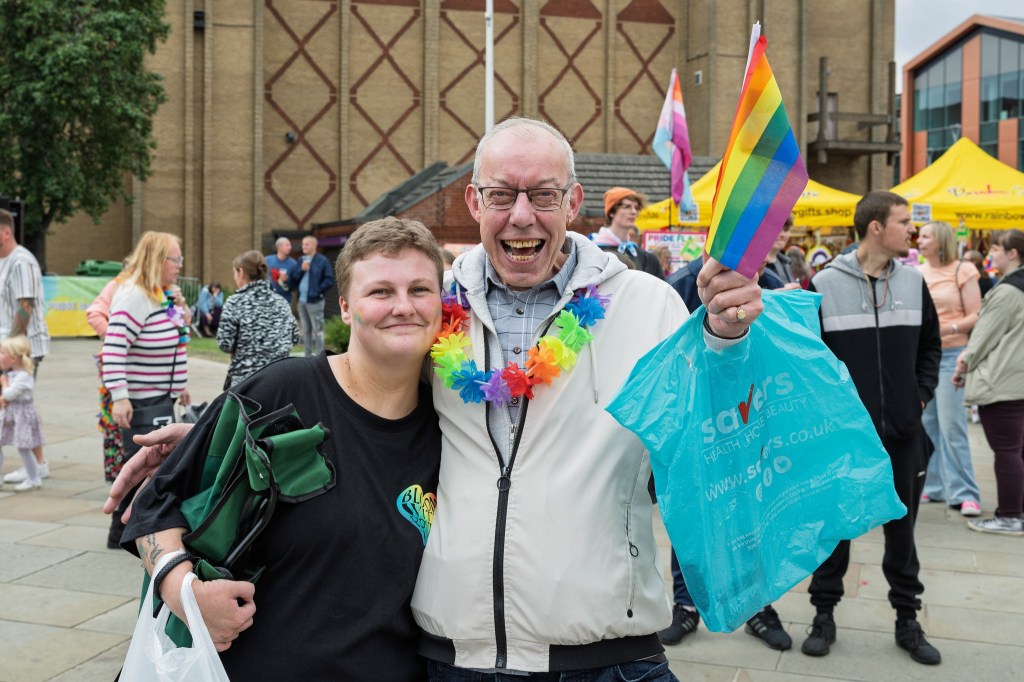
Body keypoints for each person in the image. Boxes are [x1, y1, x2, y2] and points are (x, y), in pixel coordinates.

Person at [107, 117, 764, 680]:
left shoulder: (642, 304)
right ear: (475, 202)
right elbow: (360, 389)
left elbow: (718, 441)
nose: (523, 214)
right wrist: (215, 431)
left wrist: (729, 343)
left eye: (543, 194)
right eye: (503, 194)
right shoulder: (438, 304)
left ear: (574, 201)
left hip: (608, 653)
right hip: (457, 658)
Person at [121, 218, 444, 679]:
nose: (403, 306)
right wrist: (185, 592)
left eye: (419, 290)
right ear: (347, 308)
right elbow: (158, 504)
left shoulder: (451, 429)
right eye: (380, 292)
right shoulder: (279, 393)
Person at [800, 191, 942, 665]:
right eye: (904, 222)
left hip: (903, 435)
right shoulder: (823, 283)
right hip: (843, 439)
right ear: (876, 227)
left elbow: (930, 348)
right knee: (834, 529)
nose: (912, 231)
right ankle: (823, 614)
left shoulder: (914, 282)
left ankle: (908, 619)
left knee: (903, 533)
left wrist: (919, 395)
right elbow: (808, 361)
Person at [660, 257, 791, 650]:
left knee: (753, 512)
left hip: (751, 419)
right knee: (691, 515)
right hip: (693, 423)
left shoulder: (770, 279)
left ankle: (756, 605)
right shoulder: (681, 283)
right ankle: (686, 603)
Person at [101, 231, 192, 548]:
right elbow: (113, 348)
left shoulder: (160, 294)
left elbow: (178, 337)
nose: (180, 265)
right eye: (175, 259)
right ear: (156, 260)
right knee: (139, 465)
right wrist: (120, 396)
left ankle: (134, 530)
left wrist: (179, 385)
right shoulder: (134, 295)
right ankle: (123, 532)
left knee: (150, 465)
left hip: (161, 397)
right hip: (141, 400)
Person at [954, 229, 1024, 536]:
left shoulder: (1008, 291)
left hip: (1003, 381)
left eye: (995, 248)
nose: (990, 254)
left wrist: (964, 364)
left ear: (1012, 253)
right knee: (1019, 450)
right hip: (1017, 379)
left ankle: (1009, 515)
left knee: (1007, 451)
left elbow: (983, 336)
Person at [917, 221, 982, 516]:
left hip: (951, 355)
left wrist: (948, 328)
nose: (919, 240)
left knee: (952, 426)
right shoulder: (916, 272)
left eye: (926, 236)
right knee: (927, 423)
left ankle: (965, 492)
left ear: (941, 240)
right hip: (922, 357)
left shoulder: (963, 270)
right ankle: (934, 486)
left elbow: (976, 315)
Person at [0, 209, 50, 485]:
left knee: (21, 406)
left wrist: (10, 353)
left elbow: (25, 306)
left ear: (6, 232)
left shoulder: (21, 261)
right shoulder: (4, 261)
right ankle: (35, 464)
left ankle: (37, 466)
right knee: (16, 407)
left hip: (22, 348)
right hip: (10, 348)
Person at [217, 250, 299, 389]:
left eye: (235, 273)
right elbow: (295, 338)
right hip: (280, 385)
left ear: (241, 272)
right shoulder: (282, 302)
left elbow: (224, 343)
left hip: (245, 386)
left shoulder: (235, 302)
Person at [87, 275, 130, 489]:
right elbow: (94, 313)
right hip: (118, 368)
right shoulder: (119, 285)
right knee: (115, 423)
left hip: (148, 377)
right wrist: (113, 336)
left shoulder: (162, 289)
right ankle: (118, 476)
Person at [0, 336, 45, 491]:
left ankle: (34, 478)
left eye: (2, 352)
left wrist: (4, 384)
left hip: (22, 418)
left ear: (13, 358)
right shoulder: (13, 374)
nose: (0, 355)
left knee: (23, 447)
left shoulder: (24, 376)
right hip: (10, 416)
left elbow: (9, 395)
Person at [593, 187, 665, 278]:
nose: (634, 212)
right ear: (612, 212)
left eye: (636, 208)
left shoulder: (647, 258)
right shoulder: (593, 251)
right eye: (627, 207)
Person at [289, 235, 335, 357]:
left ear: (314, 245)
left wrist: (318, 291)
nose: (303, 246)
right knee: (306, 330)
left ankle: (320, 357)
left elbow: (329, 279)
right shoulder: (301, 260)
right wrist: (302, 269)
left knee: (318, 330)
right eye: (303, 244)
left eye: (306, 244)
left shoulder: (322, 260)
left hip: (315, 301)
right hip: (302, 301)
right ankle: (308, 356)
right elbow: (294, 278)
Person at [265, 236, 298, 301]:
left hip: (285, 299)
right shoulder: (267, 260)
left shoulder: (293, 264)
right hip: (268, 299)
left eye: (290, 245)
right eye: (287, 245)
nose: (290, 247)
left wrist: (287, 281)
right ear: (279, 247)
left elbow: (295, 285)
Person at [764, 216, 796, 284]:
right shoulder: (755, 268)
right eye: (777, 229)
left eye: (786, 230)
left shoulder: (786, 262)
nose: (783, 235)